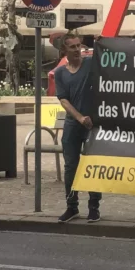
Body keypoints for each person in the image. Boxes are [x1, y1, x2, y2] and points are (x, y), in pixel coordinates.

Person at [54, 32, 102, 223]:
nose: (77, 50)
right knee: (70, 167)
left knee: (93, 166)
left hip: (92, 125)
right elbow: (63, 100)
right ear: (64, 50)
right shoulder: (60, 73)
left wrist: (101, 44)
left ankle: (94, 207)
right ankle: (71, 207)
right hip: (73, 125)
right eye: (72, 47)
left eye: (79, 46)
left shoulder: (90, 64)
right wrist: (80, 118)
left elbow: (106, 60)